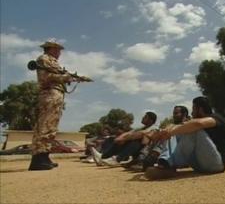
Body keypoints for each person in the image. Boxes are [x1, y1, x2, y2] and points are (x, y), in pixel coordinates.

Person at [29, 39, 91, 171]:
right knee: (45, 126)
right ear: (50, 49)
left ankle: (44, 157)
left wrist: (76, 78)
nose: (59, 53)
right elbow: (48, 77)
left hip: (55, 94)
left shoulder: (51, 61)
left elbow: (58, 75)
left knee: (50, 127)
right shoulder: (44, 59)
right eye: (57, 50)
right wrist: (66, 77)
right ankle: (38, 159)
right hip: (49, 94)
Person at [144, 96, 225, 180]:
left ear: (200, 109)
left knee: (192, 129)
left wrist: (171, 132)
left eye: (193, 109)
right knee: (178, 130)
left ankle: (168, 163)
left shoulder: (216, 118)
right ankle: (166, 165)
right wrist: (165, 132)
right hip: (199, 165)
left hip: (216, 165)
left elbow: (198, 124)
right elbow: (179, 128)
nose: (192, 113)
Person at [128, 106, 190, 171]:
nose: (174, 115)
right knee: (158, 134)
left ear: (184, 114)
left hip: (182, 154)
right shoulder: (172, 125)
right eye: (173, 113)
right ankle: (143, 159)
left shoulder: (189, 124)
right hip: (171, 152)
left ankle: (151, 160)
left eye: (176, 113)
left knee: (168, 134)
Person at [91, 112, 157, 167]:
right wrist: (120, 138)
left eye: (145, 117)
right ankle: (102, 157)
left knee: (136, 141)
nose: (142, 118)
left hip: (146, 152)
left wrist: (124, 138)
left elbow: (141, 134)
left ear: (151, 120)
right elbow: (128, 133)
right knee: (113, 138)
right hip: (136, 150)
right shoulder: (141, 127)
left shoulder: (154, 128)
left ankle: (117, 159)